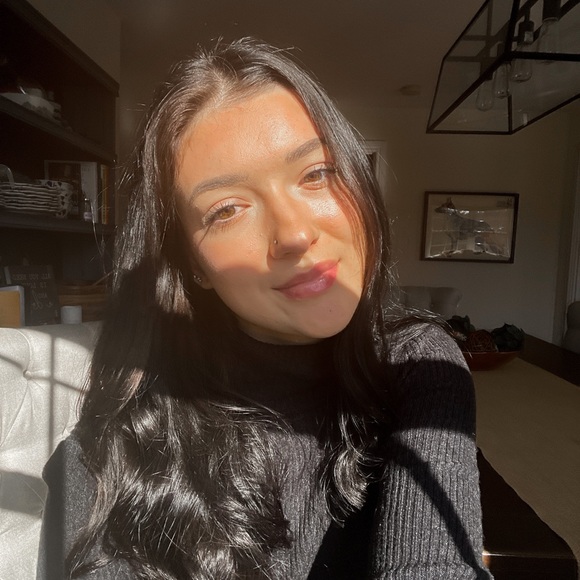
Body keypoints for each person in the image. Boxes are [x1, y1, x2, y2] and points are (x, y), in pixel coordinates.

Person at [37, 38, 492, 580]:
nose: (294, 233)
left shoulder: (419, 362)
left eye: (316, 174)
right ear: (192, 263)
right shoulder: (113, 457)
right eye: (228, 209)